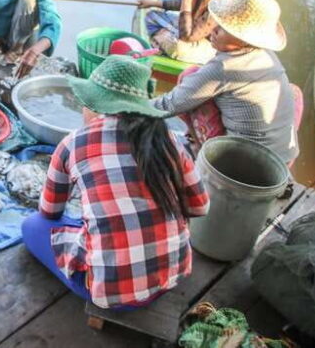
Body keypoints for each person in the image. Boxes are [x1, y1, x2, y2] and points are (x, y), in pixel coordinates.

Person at [22, 55, 209, 309]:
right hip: (172, 276)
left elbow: (49, 212)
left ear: (98, 106)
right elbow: (200, 207)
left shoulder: (72, 143)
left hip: (113, 295)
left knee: (31, 226)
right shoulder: (169, 139)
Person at [152, 0, 302, 165]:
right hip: (284, 161)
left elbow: (168, 105)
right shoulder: (268, 57)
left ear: (244, 38)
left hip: (244, 167)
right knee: (294, 91)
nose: (213, 30)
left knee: (190, 77)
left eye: (224, 28)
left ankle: (201, 150)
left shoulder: (224, 67)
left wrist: (125, 108)